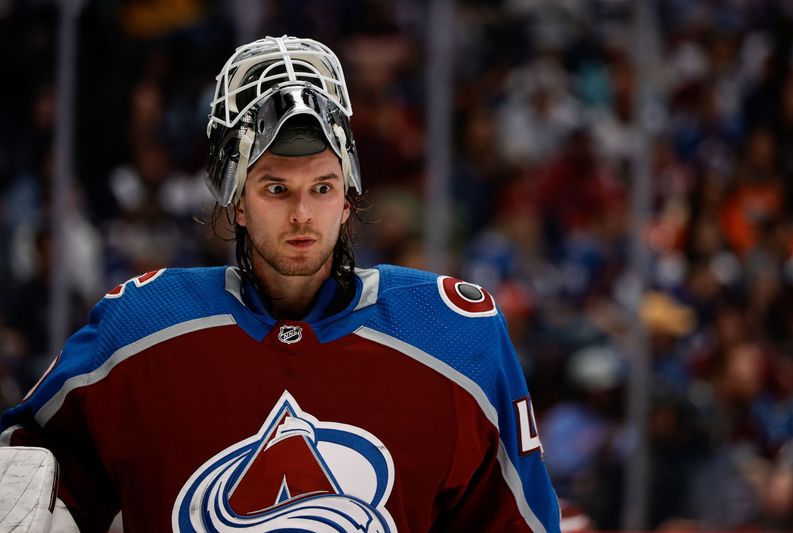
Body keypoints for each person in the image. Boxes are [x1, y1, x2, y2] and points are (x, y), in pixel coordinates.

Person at [0, 35, 561, 532]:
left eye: (322, 187)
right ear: (237, 201)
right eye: (275, 188)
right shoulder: (140, 331)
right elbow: (24, 472)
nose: (302, 214)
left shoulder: (456, 340)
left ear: (348, 199)